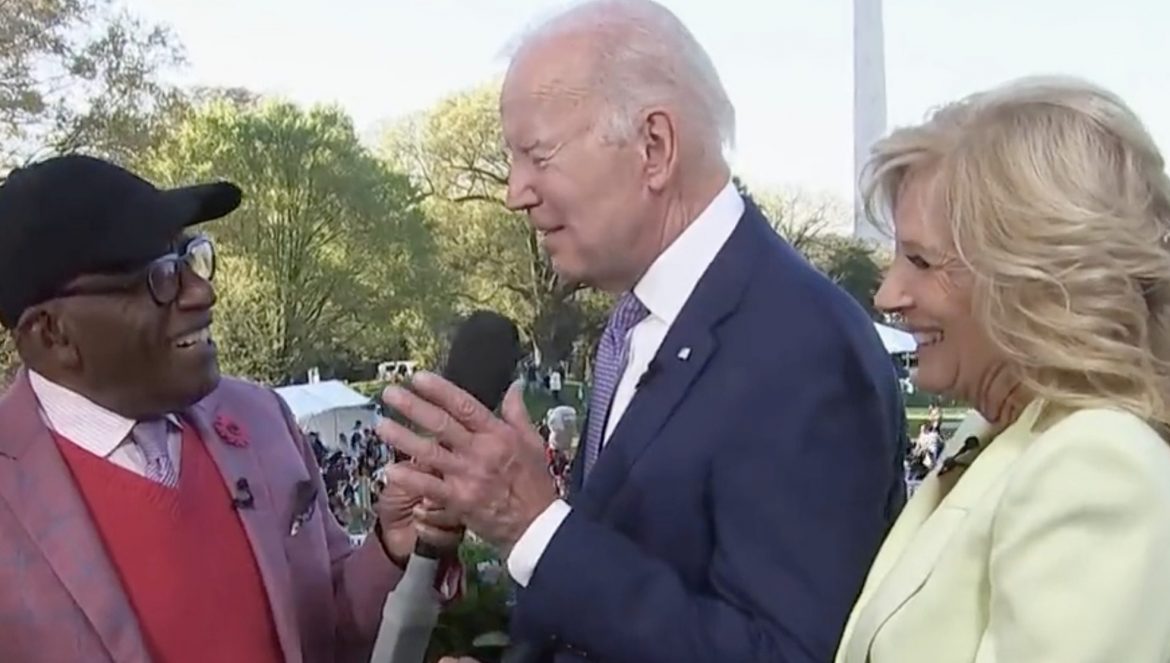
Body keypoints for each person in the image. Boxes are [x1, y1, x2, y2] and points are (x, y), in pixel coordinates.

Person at [379, 2, 906, 662]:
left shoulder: (804, 350)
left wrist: (536, 526)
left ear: (654, 147)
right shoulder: (640, 320)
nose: (515, 192)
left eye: (537, 155)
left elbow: (781, 651)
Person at [0, 155, 462, 663]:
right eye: (160, 277)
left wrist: (391, 547)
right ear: (52, 333)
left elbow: (327, 629)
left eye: (190, 258)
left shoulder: (260, 417)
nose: (203, 291)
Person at [834, 77, 1170, 663]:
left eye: (922, 261)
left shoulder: (1096, 465)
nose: (887, 296)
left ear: (1034, 275)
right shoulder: (992, 436)